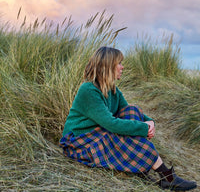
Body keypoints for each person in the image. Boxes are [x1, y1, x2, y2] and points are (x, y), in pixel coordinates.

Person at [60, 46, 197, 191]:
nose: (122, 67)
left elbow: (128, 111)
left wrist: (149, 123)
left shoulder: (113, 90)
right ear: (108, 66)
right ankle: (166, 176)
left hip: (98, 133)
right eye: (119, 63)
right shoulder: (88, 90)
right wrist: (144, 128)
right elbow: (111, 124)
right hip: (80, 141)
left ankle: (145, 169)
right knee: (114, 135)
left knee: (132, 110)